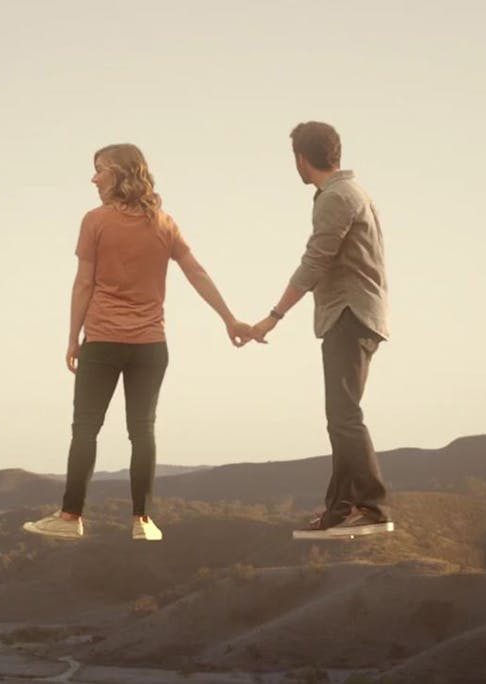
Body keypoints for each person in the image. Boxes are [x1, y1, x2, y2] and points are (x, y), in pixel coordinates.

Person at [24, 143, 252, 542]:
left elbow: (83, 282)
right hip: (151, 345)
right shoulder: (164, 223)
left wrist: (73, 337)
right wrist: (229, 318)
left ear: (120, 173)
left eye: (99, 170)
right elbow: (195, 271)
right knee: (142, 429)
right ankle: (143, 520)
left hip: (104, 340)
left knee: (85, 429)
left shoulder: (95, 221)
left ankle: (70, 515)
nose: (93, 178)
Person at [250, 121, 395, 539]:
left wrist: (273, 316)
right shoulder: (346, 193)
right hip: (353, 314)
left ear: (300, 158)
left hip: (351, 314)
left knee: (344, 415)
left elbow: (315, 262)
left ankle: (372, 505)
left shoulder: (337, 197)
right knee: (340, 416)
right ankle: (341, 508)